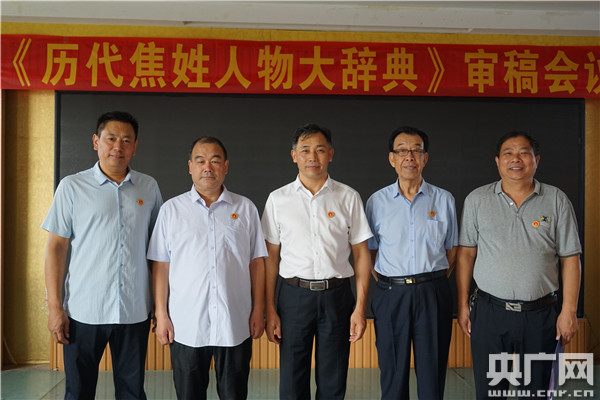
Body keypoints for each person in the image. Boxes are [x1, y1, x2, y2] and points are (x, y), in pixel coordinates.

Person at [42, 111, 163, 399]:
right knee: (78, 392)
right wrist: (55, 307)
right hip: (83, 311)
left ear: (135, 146)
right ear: (96, 141)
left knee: (132, 392)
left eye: (126, 140)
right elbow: (56, 248)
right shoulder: (72, 187)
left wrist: (161, 306)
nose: (118, 147)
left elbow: (159, 252)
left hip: (134, 310)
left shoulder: (149, 187)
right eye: (111, 139)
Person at [456, 131, 581, 400]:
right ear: (497, 161)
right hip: (490, 313)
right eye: (508, 153)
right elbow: (465, 255)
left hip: (540, 315)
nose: (516, 159)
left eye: (524, 153)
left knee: (535, 393)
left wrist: (569, 310)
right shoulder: (477, 200)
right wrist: (462, 304)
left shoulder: (556, 199)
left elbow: (571, 258)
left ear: (536, 160)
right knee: (490, 393)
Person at [147, 136, 267, 400]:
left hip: (235, 323)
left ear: (226, 166)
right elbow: (161, 266)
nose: (207, 168)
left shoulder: (245, 208)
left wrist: (259, 309)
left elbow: (257, 263)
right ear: (190, 166)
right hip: (186, 325)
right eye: (200, 161)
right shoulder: (171, 210)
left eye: (215, 161)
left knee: (235, 395)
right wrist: (161, 314)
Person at [261, 123, 373, 400]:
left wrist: (360, 308)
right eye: (305, 150)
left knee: (333, 381)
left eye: (320, 150)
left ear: (330, 154)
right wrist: (269, 308)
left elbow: (361, 254)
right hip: (293, 297)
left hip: (337, 297)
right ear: (294, 155)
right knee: (292, 381)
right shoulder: (278, 199)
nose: (313, 157)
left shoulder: (348, 197)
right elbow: (270, 258)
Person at [365, 126, 458, 400]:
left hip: (433, 292)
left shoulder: (444, 200)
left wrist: (428, 281)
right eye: (402, 151)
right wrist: (391, 282)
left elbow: (452, 250)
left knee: (433, 373)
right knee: (392, 373)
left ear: (425, 158)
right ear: (391, 158)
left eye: (416, 150)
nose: (409, 157)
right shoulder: (376, 202)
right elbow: (370, 252)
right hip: (391, 294)